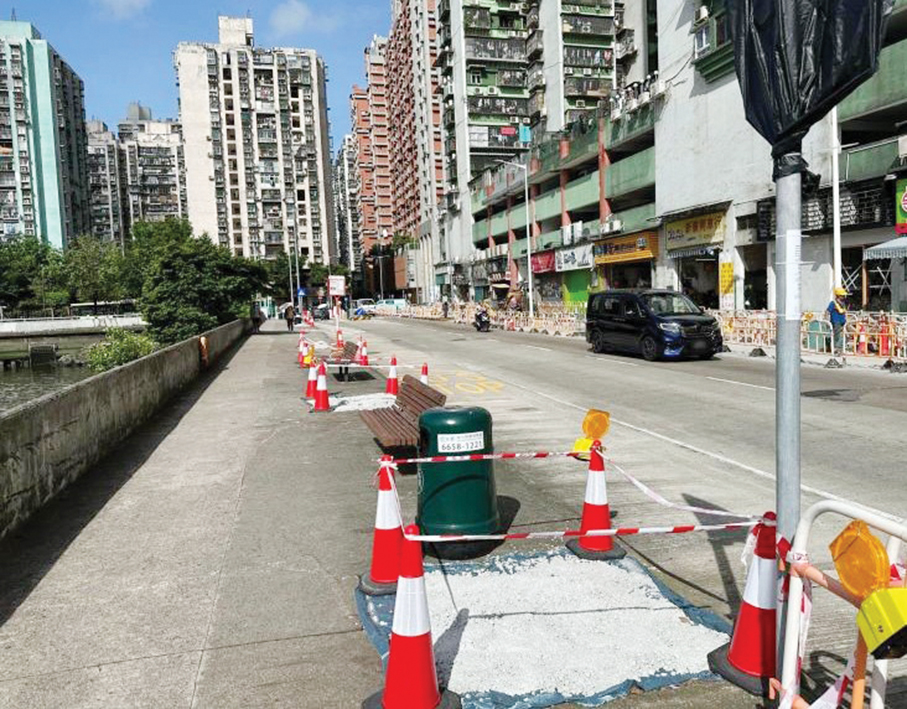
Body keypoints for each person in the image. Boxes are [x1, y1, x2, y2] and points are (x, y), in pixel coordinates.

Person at [827, 287, 848, 355]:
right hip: (836, 321)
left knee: (846, 336)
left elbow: (844, 312)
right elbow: (827, 311)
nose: (844, 297)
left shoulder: (843, 303)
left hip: (843, 321)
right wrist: (826, 320)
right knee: (837, 336)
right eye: (842, 295)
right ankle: (836, 349)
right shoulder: (833, 303)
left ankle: (840, 348)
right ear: (838, 295)